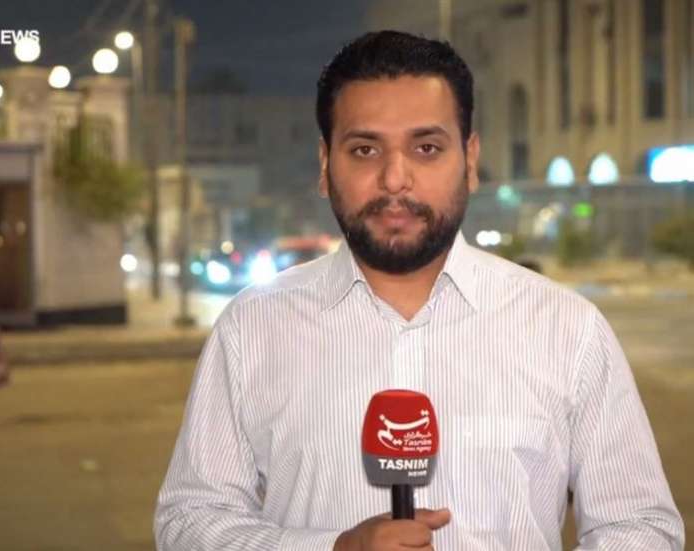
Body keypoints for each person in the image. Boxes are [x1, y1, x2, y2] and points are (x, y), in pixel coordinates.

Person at [154, 31, 684, 550]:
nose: (394, 178)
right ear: (325, 165)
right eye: (365, 149)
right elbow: (191, 519)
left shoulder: (567, 328)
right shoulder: (254, 327)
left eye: (426, 148)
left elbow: (639, 524)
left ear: (469, 160)